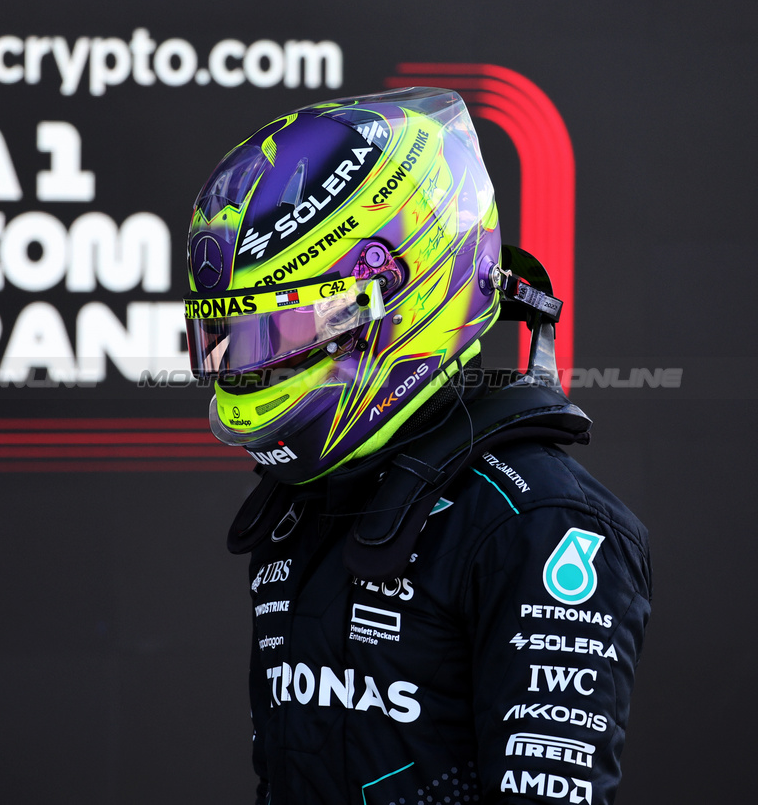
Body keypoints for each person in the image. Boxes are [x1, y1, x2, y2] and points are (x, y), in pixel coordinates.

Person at [183, 89, 651, 805]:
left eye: (279, 334)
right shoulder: (303, 505)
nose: (255, 369)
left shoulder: (539, 523)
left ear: (397, 293)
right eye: (234, 340)